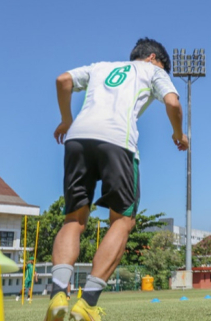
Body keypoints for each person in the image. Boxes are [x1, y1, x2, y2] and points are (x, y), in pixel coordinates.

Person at [44, 38, 189, 321]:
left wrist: (65, 119)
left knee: (73, 220)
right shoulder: (153, 71)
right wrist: (177, 133)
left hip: (77, 139)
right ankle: (87, 303)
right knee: (123, 221)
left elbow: (63, 80)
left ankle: (59, 294)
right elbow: (173, 102)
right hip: (117, 143)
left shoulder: (101, 67)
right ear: (152, 58)